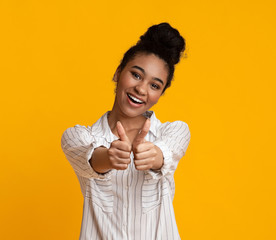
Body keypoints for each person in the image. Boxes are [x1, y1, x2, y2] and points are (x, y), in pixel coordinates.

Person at [61, 22, 190, 240]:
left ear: (160, 94)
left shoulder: (174, 131)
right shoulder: (78, 137)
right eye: (136, 75)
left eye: (155, 85)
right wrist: (109, 157)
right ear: (118, 73)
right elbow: (91, 157)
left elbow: (167, 152)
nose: (141, 89)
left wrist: (155, 155)